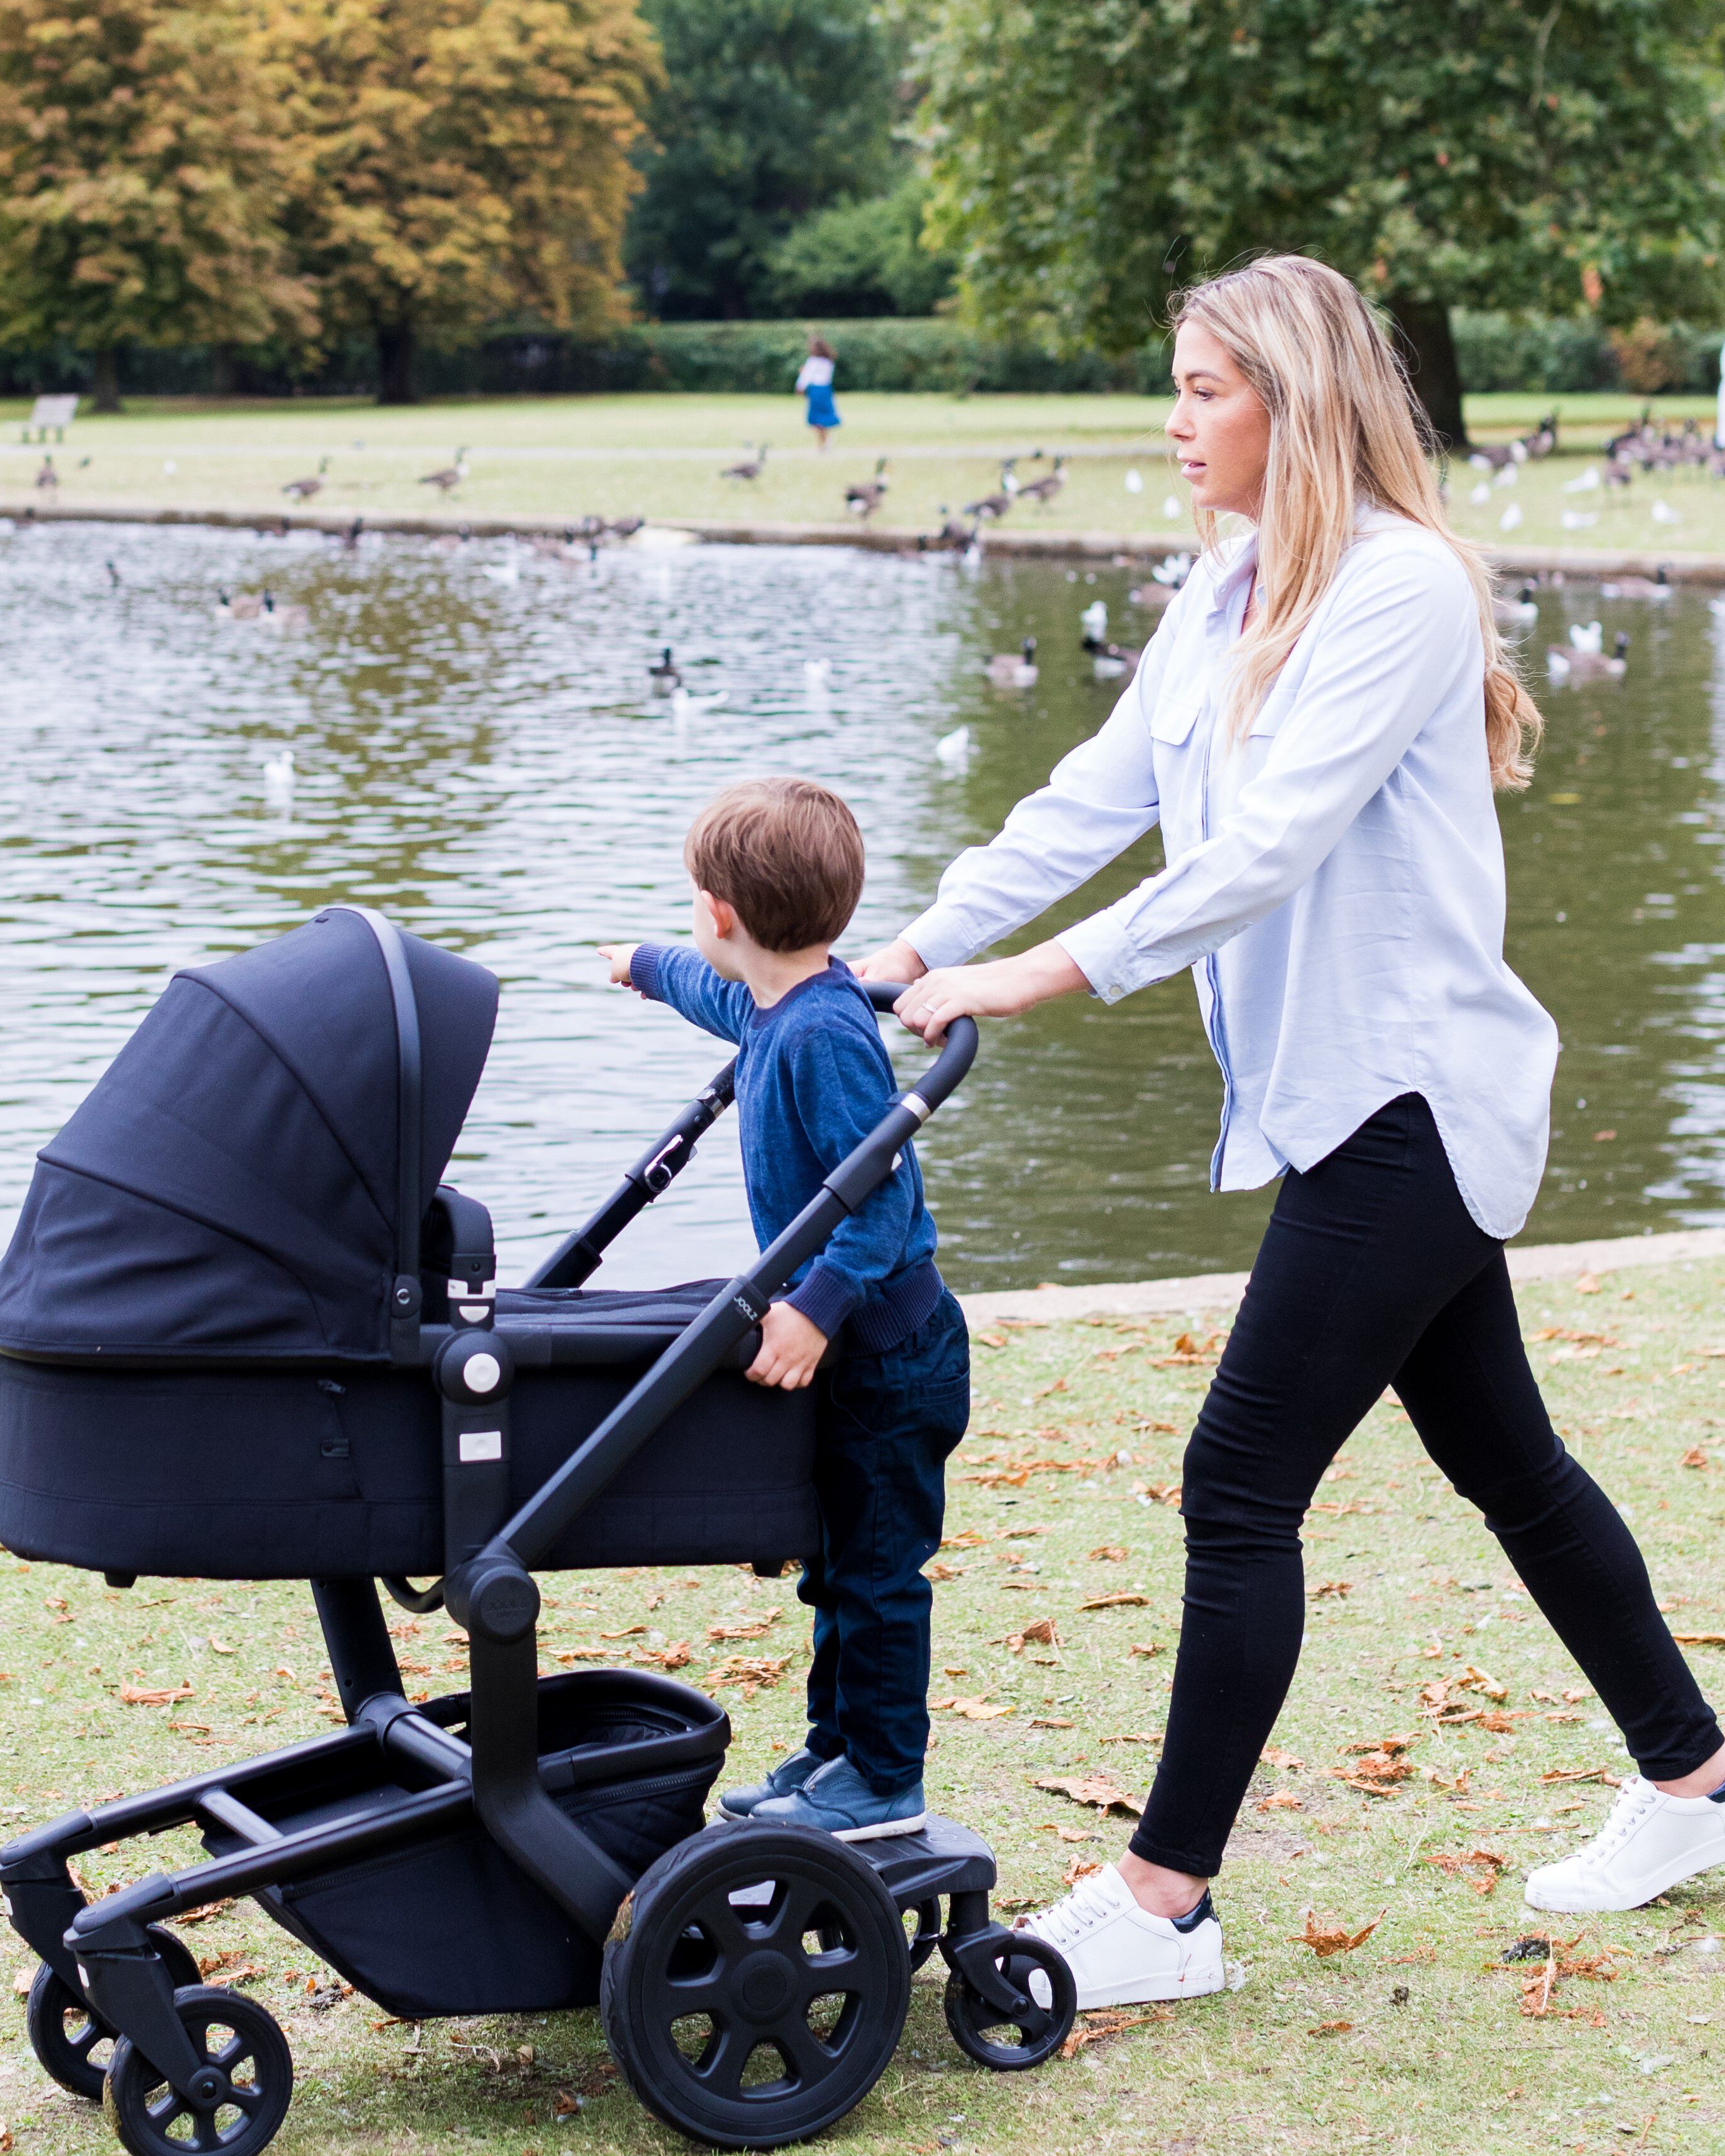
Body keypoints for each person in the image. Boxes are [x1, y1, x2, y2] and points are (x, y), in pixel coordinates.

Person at [857, 252, 1725, 2009]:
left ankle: (1168, 1902)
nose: (1174, 422)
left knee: (1235, 1481)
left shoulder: (1401, 590)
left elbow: (1267, 852)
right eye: (1174, 387)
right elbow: (1094, 793)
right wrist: (919, 941)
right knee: (1511, 1464)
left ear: (1295, 401)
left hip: (1411, 1097)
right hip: (1342, 1109)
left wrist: (1023, 986)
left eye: (1205, 390)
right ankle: (1698, 1780)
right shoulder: (1229, 583)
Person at [602, 778, 970, 1840]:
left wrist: (813, 1304)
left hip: (893, 1351)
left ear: (721, 912)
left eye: (690, 910)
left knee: (878, 1572)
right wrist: (640, 965)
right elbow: (699, 983)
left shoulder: (824, 1036)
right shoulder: (766, 998)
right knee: (833, 1560)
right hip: (855, 1348)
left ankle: (886, 1775)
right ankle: (836, 1745)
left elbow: (882, 1196)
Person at [796, 336, 840, 451]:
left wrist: (800, 387)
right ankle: (825, 441)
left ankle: (823, 443)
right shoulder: (828, 361)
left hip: (816, 390)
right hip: (826, 390)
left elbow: (806, 377)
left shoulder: (813, 361)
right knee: (824, 418)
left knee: (816, 418)